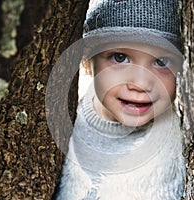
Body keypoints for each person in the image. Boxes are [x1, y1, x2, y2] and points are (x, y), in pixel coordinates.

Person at [56, 0, 185, 199]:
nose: (140, 84)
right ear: (88, 63)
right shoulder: (64, 129)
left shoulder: (182, 148)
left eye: (161, 62)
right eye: (119, 57)